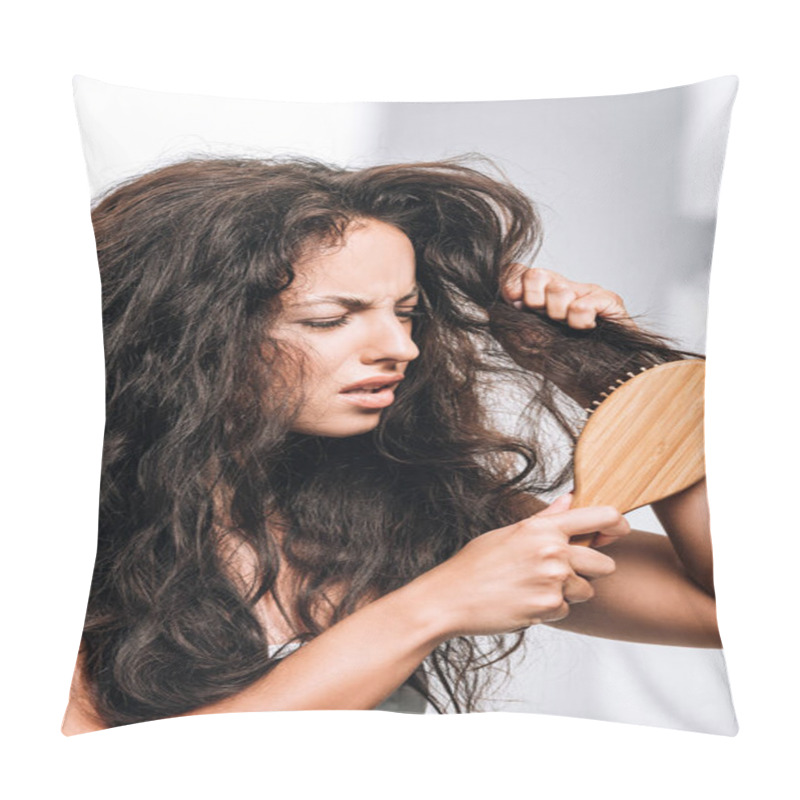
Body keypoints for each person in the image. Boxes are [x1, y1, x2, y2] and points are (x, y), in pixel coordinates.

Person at [62, 155, 719, 734]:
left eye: (405, 312)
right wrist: (435, 606)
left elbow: (732, 611)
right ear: (182, 335)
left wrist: (629, 381)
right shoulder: (70, 536)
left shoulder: (408, 509)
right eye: (332, 318)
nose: (400, 348)